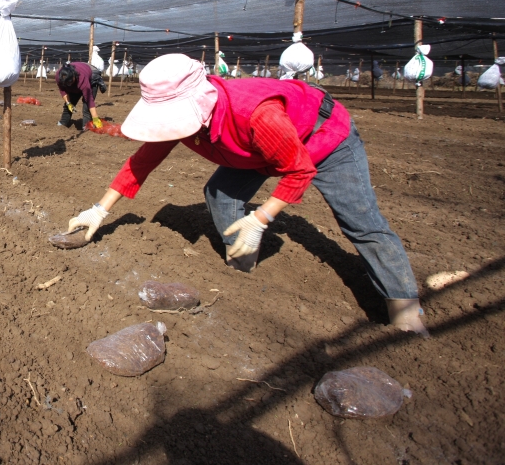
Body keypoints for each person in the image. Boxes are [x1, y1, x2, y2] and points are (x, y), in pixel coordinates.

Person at [66, 54, 428, 335]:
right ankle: (241, 264)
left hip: (321, 139)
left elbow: (299, 169)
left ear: (198, 100)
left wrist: (260, 217)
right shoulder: (187, 122)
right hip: (253, 150)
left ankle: (407, 314)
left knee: (361, 222)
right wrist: (99, 210)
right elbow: (141, 163)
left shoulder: (255, 114)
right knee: (220, 193)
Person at [56, 61, 108, 130]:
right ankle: (63, 123)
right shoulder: (59, 76)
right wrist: (68, 103)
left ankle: (86, 126)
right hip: (78, 76)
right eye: (67, 83)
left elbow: (89, 100)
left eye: (70, 82)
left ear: (74, 76)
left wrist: (95, 118)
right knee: (69, 105)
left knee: (86, 107)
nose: (69, 84)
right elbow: (62, 90)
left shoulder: (81, 78)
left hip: (91, 74)